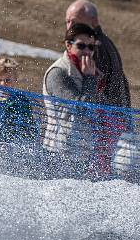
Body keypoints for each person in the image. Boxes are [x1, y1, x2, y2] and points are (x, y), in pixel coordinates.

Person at [42, 23, 105, 171]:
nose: (87, 52)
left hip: (82, 151)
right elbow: (81, 108)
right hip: (58, 151)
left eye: (91, 47)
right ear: (68, 45)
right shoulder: (58, 72)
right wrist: (90, 79)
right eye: (81, 46)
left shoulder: (88, 71)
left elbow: (97, 109)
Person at [65, 0, 131, 108]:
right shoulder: (104, 42)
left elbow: (94, 92)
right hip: (114, 116)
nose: (70, 27)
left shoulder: (93, 47)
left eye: (75, 21)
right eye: (68, 22)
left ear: (94, 21)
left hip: (105, 118)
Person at [0, 57, 37, 144]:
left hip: (13, 144)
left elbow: (29, 126)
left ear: (15, 79)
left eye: (7, 80)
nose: (3, 84)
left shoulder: (21, 101)